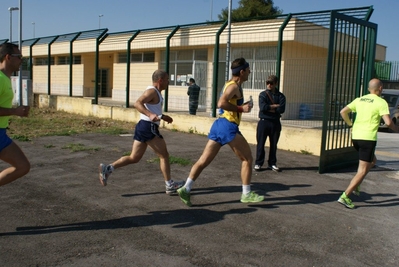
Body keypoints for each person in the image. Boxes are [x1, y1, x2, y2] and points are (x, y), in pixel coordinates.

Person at [177, 57, 264, 206]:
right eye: (248, 69)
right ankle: (246, 194)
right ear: (242, 72)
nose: (250, 71)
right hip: (227, 126)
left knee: (203, 161)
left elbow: (227, 104)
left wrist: (241, 106)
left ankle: (186, 188)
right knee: (247, 159)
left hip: (219, 125)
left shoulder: (230, 85)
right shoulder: (234, 87)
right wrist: (240, 108)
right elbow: (221, 103)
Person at [98, 70, 184, 194]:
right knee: (164, 155)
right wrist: (150, 114)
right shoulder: (152, 91)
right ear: (160, 80)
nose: (168, 82)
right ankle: (169, 185)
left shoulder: (156, 93)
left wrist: (163, 116)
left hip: (143, 126)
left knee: (134, 157)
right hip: (148, 127)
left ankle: (108, 169)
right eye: (166, 79)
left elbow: (152, 108)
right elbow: (137, 103)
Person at [338, 78, 398, 209]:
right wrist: (397, 129)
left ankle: (357, 183)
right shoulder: (381, 102)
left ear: (368, 88)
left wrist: (350, 124)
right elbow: (388, 123)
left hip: (356, 137)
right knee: (363, 169)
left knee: (373, 160)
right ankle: (345, 195)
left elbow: (343, 112)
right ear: (380, 88)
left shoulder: (359, 99)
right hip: (368, 139)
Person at [0, 43, 31, 187]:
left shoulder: (5, 79)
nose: (21, 61)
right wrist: (14, 111)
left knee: (23, 166)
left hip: (1, 134)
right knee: (22, 166)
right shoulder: (0, 79)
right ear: (8, 57)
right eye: (19, 57)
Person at [254, 75, 286, 172]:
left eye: (271, 83)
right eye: (267, 83)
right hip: (264, 122)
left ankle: (272, 163)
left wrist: (270, 107)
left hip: (275, 122)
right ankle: (258, 163)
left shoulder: (281, 96)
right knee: (260, 144)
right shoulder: (263, 95)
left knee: (274, 144)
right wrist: (274, 107)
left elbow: (281, 109)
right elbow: (263, 107)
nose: (269, 85)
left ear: (276, 84)